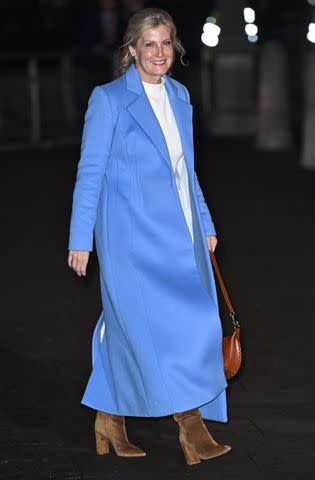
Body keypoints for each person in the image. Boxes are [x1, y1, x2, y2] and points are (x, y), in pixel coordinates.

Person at [68, 7, 231, 465]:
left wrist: (207, 223)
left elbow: (187, 171)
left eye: (165, 43)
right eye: (149, 44)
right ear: (133, 49)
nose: (158, 53)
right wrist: (81, 238)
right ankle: (189, 424)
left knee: (193, 323)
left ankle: (108, 417)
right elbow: (90, 171)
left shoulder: (179, 95)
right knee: (143, 327)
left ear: (174, 46)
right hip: (131, 237)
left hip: (182, 231)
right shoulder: (110, 99)